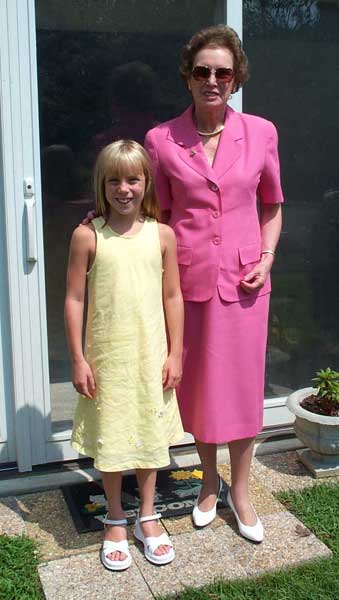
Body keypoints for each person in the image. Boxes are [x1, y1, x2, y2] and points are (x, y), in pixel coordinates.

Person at [144, 25, 283, 542]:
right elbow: (158, 213)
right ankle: (208, 482)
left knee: (244, 390)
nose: (212, 80)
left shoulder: (262, 132)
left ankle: (241, 491)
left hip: (246, 282)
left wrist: (267, 257)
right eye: (202, 70)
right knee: (198, 387)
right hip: (188, 283)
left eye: (223, 72)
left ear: (236, 78)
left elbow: (271, 202)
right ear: (187, 76)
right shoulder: (161, 140)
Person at [64, 139, 184, 570]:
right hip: (108, 359)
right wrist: (78, 358)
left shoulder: (162, 235)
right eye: (113, 179)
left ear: (146, 182)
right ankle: (115, 517)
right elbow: (75, 300)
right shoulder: (87, 236)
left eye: (133, 178)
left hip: (151, 356)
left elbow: (173, 296)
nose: (124, 188)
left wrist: (176, 353)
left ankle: (147, 516)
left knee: (150, 438)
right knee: (112, 436)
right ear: (102, 184)